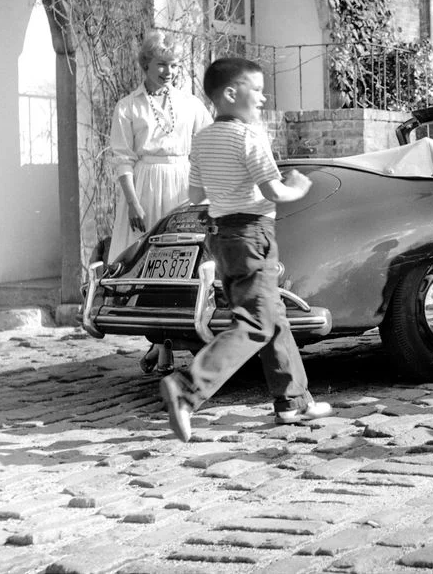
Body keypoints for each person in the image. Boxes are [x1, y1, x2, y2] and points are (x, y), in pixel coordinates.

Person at [159, 57, 330, 442]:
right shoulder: (249, 136)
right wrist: (299, 186)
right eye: (257, 89)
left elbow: (195, 194)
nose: (264, 97)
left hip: (223, 238)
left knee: (272, 315)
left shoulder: (202, 138)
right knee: (256, 322)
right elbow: (274, 191)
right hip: (254, 234)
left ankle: (293, 401)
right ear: (231, 93)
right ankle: (187, 389)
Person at [109, 30, 212, 374]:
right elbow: (122, 159)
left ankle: (173, 343)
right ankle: (160, 343)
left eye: (174, 65)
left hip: (183, 185)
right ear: (146, 65)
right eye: (161, 64)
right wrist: (133, 203)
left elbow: (208, 143)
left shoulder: (190, 104)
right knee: (152, 270)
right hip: (146, 186)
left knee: (184, 264)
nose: (168, 71)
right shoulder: (128, 107)